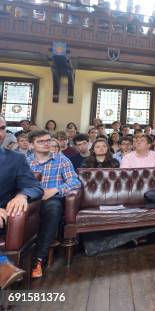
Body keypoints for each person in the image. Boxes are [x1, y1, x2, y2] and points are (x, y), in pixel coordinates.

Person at [27, 130, 81, 278]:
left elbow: (75, 182)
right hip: (28, 199)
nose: (46, 144)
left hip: (51, 199)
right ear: (31, 145)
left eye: (48, 140)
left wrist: (55, 190)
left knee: (53, 207)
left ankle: (38, 259)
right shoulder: (25, 161)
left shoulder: (61, 160)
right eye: (41, 141)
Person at [0, 116, 43, 289]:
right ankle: (3, 266)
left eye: (2, 128)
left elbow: (35, 187)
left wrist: (22, 196)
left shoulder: (15, 159)